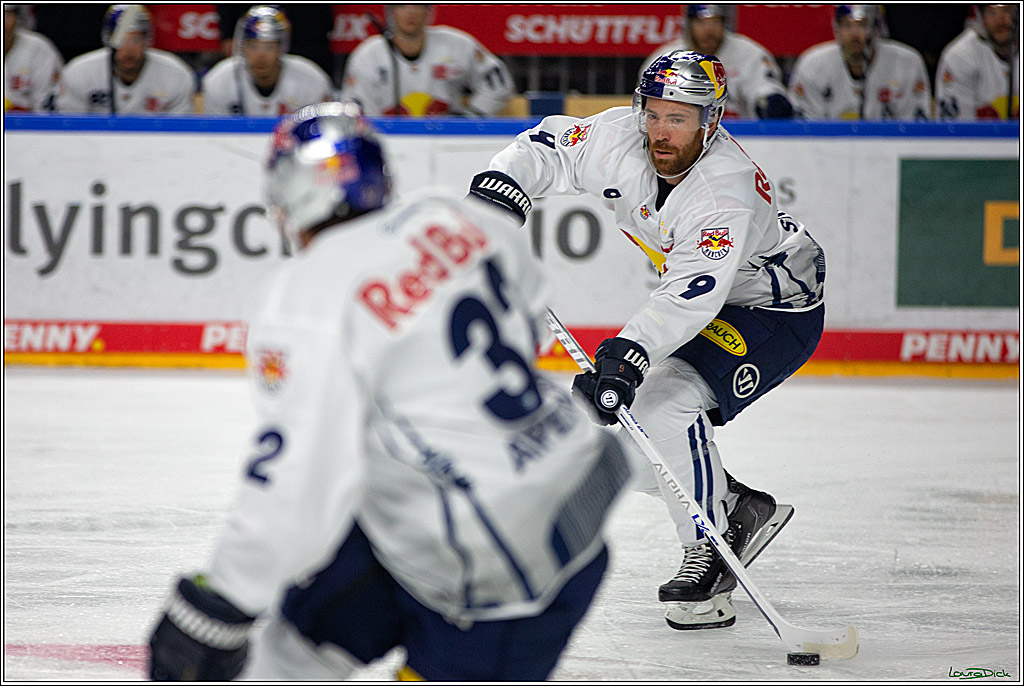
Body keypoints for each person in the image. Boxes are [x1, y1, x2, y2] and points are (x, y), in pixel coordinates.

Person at [146, 102, 631, 681]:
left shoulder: (308, 296)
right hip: (571, 489)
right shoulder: (447, 212)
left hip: (497, 571)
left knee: (292, 650)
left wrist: (226, 594)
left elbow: (299, 473)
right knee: (296, 644)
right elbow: (526, 292)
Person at [468, 50, 824, 631]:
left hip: (774, 310)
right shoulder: (619, 137)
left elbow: (690, 294)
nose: (661, 131)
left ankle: (710, 547)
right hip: (708, 303)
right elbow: (548, 146)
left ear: (710, 122)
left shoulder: (723, 190)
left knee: (660, 404)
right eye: (654, 114)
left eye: (679, 118)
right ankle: (734, 509)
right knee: (609, 438)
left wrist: (628, 354)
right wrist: (504, 186)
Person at [341, 4, 513, 116]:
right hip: (388, 141)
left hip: (447, 139)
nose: (411, 12)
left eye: (419, 5)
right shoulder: (368, 55)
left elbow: (499, 85)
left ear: (430, 10)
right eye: (403, 6)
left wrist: (471, 117)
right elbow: (354, 108)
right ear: (391, 11)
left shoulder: (456, 43)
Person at [640, 5, 794, 119]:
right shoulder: (666, 59)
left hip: (743, 137)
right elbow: (648, 106)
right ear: (688, 25)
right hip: (684, 138)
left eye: (715, 22)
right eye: (701, 23)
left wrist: (768, 99)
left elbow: (762, 87)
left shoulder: (748, 52)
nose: (709, 31)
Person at [788, 4, 932, 120]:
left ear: (877, 28)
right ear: (836, 28)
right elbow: (805, 130)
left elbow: (915, 129)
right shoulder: (813, 66)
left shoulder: (907, 63)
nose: (854, 34)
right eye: (847, 25)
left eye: (862, 25)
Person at [55, 4, 195, 114]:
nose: (128, 50)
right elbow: (69, 127)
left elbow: (180, 133)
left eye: (136, 40)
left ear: (148, 40)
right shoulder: (79, 72)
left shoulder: (176, 74)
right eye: (120, 40)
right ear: (107, 40)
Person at [202, 5, 332, 116]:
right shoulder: (218, 80)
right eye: (253, 46)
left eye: (269, 47)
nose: (261, 55)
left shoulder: (311, 80)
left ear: (282, 48)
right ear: (242, 47)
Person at [935, 4, 1019, 120]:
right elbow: (956, 127)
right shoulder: (960, 54)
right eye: (991, 12)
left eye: (1007, 10)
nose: (1000, 21)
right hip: (978, 137)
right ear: (980, 16)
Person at [4, 4, 63, 112]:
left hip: (26, 125)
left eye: (6, 15)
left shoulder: (38, 48)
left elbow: (47, 108)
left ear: (16, 18)